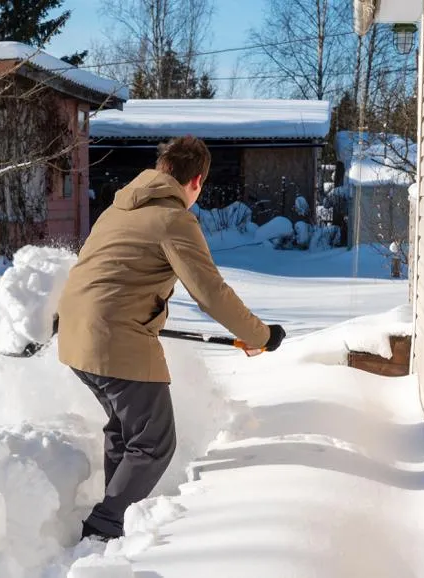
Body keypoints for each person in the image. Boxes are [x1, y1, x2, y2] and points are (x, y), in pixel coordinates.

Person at [56, 135, 286, 541]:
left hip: (76, 335)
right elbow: (210, 292)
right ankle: (103, 528)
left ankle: (118, 518)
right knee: (154, 443)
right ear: (196, 181)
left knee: (125, 431)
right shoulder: (172, 219)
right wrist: (261, 335)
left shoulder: (119, 208)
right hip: (113, 339)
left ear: (162, 169)